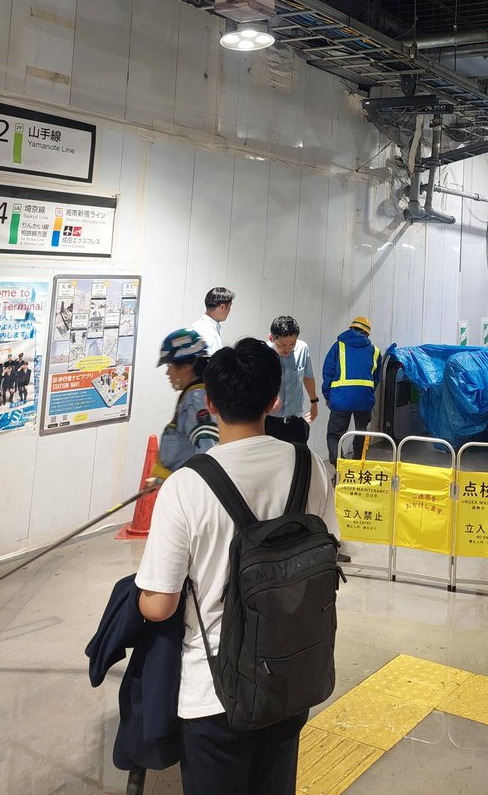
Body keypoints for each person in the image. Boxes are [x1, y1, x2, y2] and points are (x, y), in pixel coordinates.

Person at [135, 337, 338, 795]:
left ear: (210, 403)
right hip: (291, 676)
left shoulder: (186, 486)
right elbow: (328, 553)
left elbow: (160, 606)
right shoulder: (311, 466)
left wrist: (137, 598)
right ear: (274, 400)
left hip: (214, 695)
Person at [155, 329, 219, 476]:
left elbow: (207, 452)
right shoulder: (195, 395)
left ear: (186, 367)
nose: (167, 373)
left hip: (187, 486)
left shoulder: (196, 400)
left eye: (169, 366)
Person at [322, 316, 381, 468]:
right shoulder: (374, 351)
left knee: (335, 435)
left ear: (351, 328)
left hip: (341, 398)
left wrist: (327, 395)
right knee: (361, 432)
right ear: (367, 333)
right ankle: (356, 467)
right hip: (364, 399)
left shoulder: (338, 346)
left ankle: (340, 468)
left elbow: (328, 371)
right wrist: (367, 392)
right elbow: (376, 378)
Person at [266, 315, 319, 445]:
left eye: (292, 344)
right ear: (271, 338)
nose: (287, 349)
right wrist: (268, 399)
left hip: (295, 422)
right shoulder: (263, 353)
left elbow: (308, 377)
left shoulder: (302, 348)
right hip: (269, 423)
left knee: (299, 456)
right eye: (282, 345)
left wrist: (314, 402)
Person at [191, 288, 235, 356]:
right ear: (222, 307)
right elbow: (213, 361)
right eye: (229, 306)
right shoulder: (209, 333)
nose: (229, 310)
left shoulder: (196, 325)